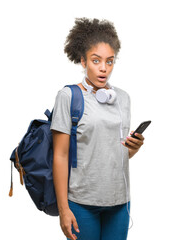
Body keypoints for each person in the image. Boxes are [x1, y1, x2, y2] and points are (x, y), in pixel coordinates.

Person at [50, 17, 144, 240]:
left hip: (119, 202)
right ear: (83, 61)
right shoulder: (68, 96)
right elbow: (60, 156)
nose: (104, 68)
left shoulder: (123, 98)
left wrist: (134, 148)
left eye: (109, 61)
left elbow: (114, 151)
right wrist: (64, 210)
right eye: (96, 60)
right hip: (82, 203)